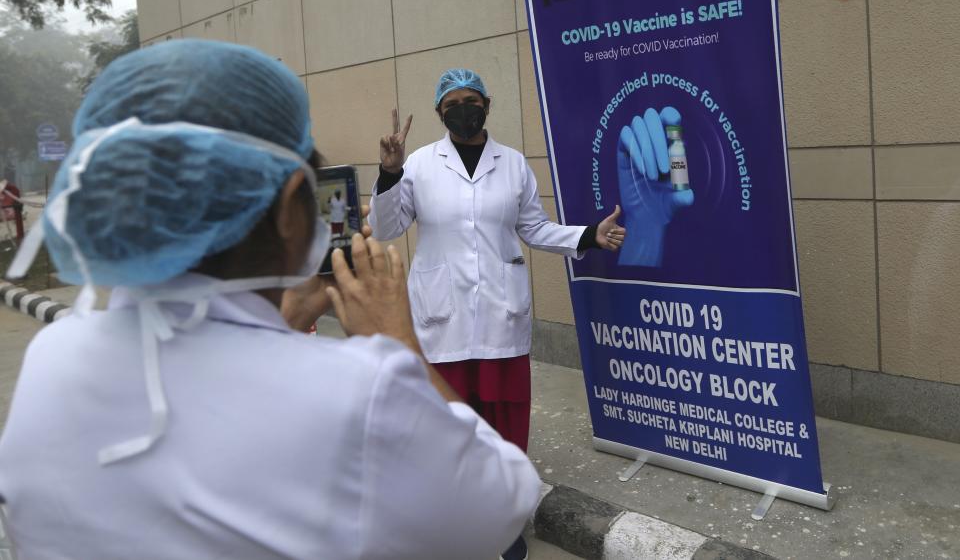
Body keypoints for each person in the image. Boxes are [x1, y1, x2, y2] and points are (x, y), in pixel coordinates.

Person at [0, 41, 540, 560]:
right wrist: (398, 342)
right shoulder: (359, 390)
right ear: (289, 210)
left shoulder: (52, 357)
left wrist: (282, 321)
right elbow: (499, 503)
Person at [369, 68, 625, 560]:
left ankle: (502, 521)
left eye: (471, 99)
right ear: (440, 110)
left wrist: (588, 234)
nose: (462, 109)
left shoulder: (512, 164)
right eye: (452, 102)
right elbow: (385, 228)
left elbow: (535, 227)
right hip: (441, 318)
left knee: (504, 427)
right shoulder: (420, 164)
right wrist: (389, 172)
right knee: (448, 426)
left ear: (487, 102)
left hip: (500, 317)